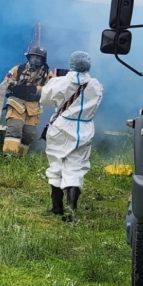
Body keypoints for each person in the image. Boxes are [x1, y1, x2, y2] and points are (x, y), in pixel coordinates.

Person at [39, 51, 103, 219]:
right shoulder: (96, 85)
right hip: (84, 127)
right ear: (88, 65)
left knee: (56, 164)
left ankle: (57, 207)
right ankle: (71, 210)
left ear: (71, 64)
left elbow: (44, 99)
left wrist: (50, 80)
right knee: (76, 166)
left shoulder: (59, 82)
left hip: (61, 126)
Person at [3, 45, 52, 157]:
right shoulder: (18, 69)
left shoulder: (47, 73)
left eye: (38, 58)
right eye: (33, 57)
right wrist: (14, 86)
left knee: (28, 134)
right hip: (16, 103)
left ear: (42, 60)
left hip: (33, 107)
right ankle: (9, 156)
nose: (35, 60)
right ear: (29, 57)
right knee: (15, 128)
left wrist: (35, 89)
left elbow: (50, 89)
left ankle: (19, 156)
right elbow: (6, 81)